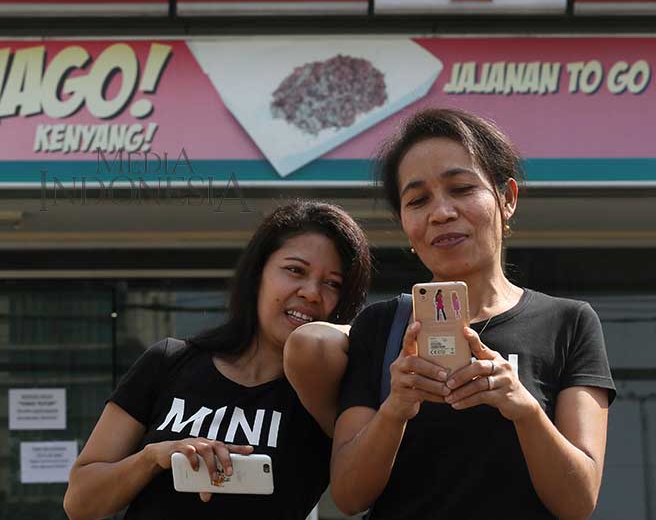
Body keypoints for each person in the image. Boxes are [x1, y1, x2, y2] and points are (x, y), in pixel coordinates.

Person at [327, 107, 616, 519]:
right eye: (418, 200)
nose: (441, 212)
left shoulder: (569, 323)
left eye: (461, 188)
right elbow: (349, 496)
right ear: (405, 223)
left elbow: (578, 502)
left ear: (507, 198)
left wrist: (524, 408)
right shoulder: (380, 326)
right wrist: (396, 408)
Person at [62, 200, 371, 520]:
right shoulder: (167, 361)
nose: (311, 292)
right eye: (295, 270)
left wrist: (355, 336)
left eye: (332, 283)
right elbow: (80, 502)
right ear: (258, 273)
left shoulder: (328, 396)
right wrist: (154, 457)